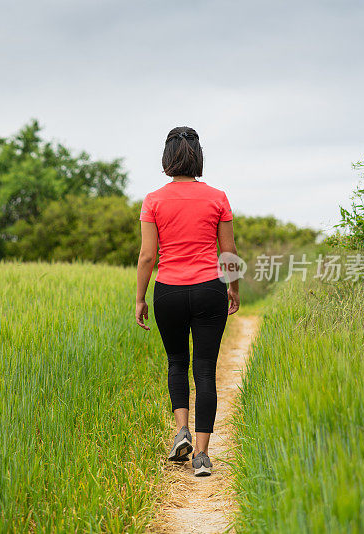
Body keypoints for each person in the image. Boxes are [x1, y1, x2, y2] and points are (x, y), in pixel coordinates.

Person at [134, 126, 240, 477]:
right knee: (206, 368)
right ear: (199, 157)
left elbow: (148, 256)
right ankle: (202, 456)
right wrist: (233, 288)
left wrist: (140, 298)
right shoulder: (218, 197)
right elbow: (229, 251)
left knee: (177, 362)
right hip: (210, 288)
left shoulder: (153, 199)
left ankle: (181, 430)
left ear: (167, 159)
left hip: (169, 291)